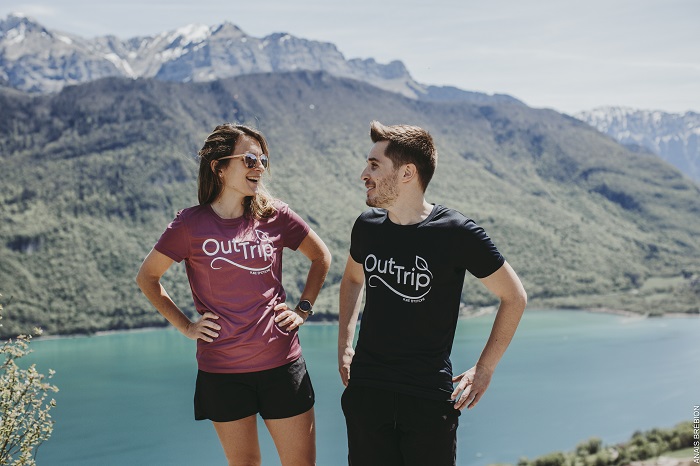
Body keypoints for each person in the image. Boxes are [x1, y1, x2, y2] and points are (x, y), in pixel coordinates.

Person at [136, 123, 331, 466]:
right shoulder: (189, 224)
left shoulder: (275, 215)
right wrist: (187, 327)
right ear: (219, 167)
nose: (259, 168)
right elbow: (148, 278)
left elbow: (321, 257)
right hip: (222, 372)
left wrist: (302, 309)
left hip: (282, 363)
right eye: (250, 159)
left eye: (263, 160)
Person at [338, 121, 527, 466]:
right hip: (368, 392)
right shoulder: (367, 226)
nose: (364, 174)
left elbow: (514, 297)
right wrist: (344, 345)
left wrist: (484, 368)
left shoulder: (456, 232)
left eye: (375, 165)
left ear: (407, 173)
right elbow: (352, 279)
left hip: (426, 399)